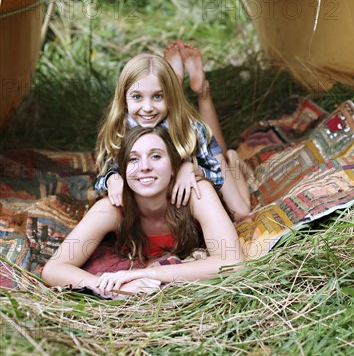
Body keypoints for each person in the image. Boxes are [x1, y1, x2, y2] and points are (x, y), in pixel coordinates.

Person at [41, 126, 243, 298]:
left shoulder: (197, 194)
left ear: (174, 166)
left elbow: (233, 263)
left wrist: (148, 275)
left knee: (241, 209)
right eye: (133, 159)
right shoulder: (111, 209)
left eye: (156, 156)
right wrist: (111, 287)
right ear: (122, 171)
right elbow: (54, 269)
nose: (145, 167)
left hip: (221, 197)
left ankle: (234, 162)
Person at [95, 44, 250, 222]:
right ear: (123, 99)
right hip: (174, 122)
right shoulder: (119, 129)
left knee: (240, 213)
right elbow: (101, 178)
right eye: (137, 97)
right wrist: (111, 179)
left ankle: (232, 159)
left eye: (157, 96)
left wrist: (191, 168)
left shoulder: (192, 128)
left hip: (202, 152)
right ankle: (174, 80)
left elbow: (213, 171)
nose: (147, 108)